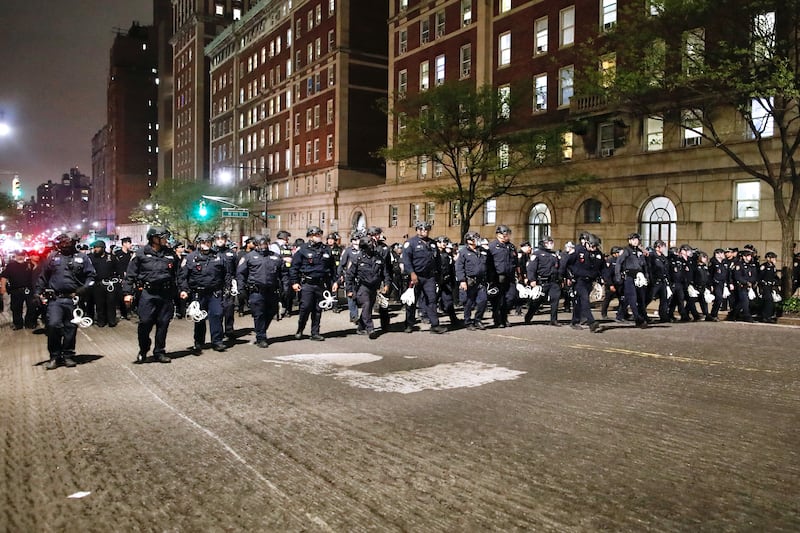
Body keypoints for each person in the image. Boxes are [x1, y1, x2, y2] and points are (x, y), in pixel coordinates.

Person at [34, 233, 96, 369]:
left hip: (73, 299)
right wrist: (37, 293)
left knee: (70, 328)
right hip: (55, 299)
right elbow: (43, 277)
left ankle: (68, 355)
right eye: (62, 242)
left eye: (67, 242)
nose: (64, 244)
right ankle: (55, 356)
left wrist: (84, 288)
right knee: (53, 325)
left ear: (73, 242)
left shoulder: (82, 257)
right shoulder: (52, 258)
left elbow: (91, 276)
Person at [123, 227, 179, 363]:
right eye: (163, 237)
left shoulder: (170, 254)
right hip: (148, 293)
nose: (166, 240)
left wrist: (181, 290)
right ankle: (143, 349)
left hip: (165, 294)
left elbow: (178, 274)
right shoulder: (140, 254)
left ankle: (159, 351)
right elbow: (130, 275)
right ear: (154, 238)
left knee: (163, 323)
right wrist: (127, 293)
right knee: (145, 322)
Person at [179, 233, 231, 353]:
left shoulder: (219, 257)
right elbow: (182, 276)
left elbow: (226, 274)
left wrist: (227, 288)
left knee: (217, 315)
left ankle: (217, 341)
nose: (206, 244)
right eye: (203, 242)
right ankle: (198, 342)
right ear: (199, 243)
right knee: (199, 318)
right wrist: (184, 290)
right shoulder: (190, 257)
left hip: (215, 292)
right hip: (198, 293)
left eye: (208, 242)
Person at [237, 235, 288, 347]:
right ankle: (261, 337)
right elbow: (240, 274)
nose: (263, 246)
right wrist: (241, 289)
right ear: (256, 245)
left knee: (271, 312)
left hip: (272, 291)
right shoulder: (248, 257)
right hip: (256, 291)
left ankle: (261, 330)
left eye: (265, 244)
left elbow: (283, 273)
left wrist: (285, 287)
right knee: (259, 314)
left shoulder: (275, 257)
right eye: (261, 244)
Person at [289, 226, 339, 340]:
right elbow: (294, 268)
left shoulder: (326, 249)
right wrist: (294, 282)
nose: (319, 237)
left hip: (321, 284)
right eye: (316, 235)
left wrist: (334, 282)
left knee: (318, 309)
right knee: (305, 307)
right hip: (307, 283)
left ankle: (315, 332)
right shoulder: (302, 249)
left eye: (320, 235)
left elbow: (332, 268)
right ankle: (300, 329)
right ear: (310, 236)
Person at [402, 221, 447, 334]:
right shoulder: (410, 243)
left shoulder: (432, 243)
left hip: (429, 277)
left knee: (431, 300)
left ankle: (435, 325)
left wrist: (439, 275)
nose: (424, 231)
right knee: (411, 301)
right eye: (422, 229)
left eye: (426, 229)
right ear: (417, 230)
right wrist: (412, 274)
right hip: (415, 276)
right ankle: (409, 324)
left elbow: (437, 261)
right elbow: (406, 260)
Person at [346, 237, 391, 339]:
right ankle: (370, 329)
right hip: (362, 286)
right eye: (370, 246)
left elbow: (385, 273)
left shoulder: (379, 258)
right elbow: (349, 275)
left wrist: (387, 284)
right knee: (366, 305)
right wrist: (349, 290)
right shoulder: (358, 258)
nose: (372, 247)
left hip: (374, 287)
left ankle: (361, 327)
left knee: (369, 307)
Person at [564, 232, 602, 332]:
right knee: (585, 300)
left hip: (589, 281)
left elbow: (602, 268)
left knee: (579, 302)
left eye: (595, 246)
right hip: (579, 280)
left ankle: (575, 321)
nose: (594, 248)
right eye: (592, 246)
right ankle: (591, 322)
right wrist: (566, 277)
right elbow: (566, 263)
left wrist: (605, 281)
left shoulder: (597, 253)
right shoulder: (577, 250)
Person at [614, 232, 650, 327]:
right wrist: (618, 276)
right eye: (634, 239)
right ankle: (638, 319)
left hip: (639, 277)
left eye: (637, 239)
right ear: (630, 240)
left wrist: (646, 276)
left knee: (634, 298)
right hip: (629, 277)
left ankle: (620, 315)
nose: (636, 241)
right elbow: (619, 263)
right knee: (633, 298)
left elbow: (644, 265)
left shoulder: (639, 251)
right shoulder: (626, 250)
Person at [524, 236, 562, 326]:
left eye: (551, 243)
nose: (550, 245)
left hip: (553, 281)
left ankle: (553, 320)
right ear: (543, 244)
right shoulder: (537, 254)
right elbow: (531, 268)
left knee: (555, 300)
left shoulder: (554, 254)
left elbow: (559, 267)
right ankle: (528, 316)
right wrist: (532, 279)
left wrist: (561, 278)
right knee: (537, 301)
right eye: (548, 243)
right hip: (542, 281)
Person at [487, 225, 518, 328]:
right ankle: (499, 319)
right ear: (499, 235)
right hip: (497, 277)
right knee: (498, 301)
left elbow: (515, 262)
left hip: (510, 277)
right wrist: (490, 279)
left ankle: (503, 317)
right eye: (505, 234)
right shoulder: (491, 247)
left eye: (508, 234)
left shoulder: (511, 247)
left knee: (511, 298)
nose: (507, 236)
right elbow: (488, 264)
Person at [0, 250, 39, 330]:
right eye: (18, 255)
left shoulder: (29, 264)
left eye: (22, 255)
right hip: (15, 290)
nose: (20, 256)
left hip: (29, 290)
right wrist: (3, 287)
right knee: (16, 308)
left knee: (31, 307)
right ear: (15, 255)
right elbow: (4, 277)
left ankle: (29, 323)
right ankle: (18, 324)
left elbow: (37, 270)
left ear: (25, 256)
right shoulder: (10, 265)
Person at [365, 226, 394, 332]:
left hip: (381, 277)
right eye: (374, 235)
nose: (377, 237)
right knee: (368, 303)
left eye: (377, 234)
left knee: (383, 303)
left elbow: (387, 267)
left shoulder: (384, 248)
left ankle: (385, 325)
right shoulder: (364, 246)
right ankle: (364, 325)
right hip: (367, 279)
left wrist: (387, 282)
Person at [212, 231, 237, 338]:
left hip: (228, 283)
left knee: (229, 308)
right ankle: (219, 331)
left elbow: (236, 268)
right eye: (218, 239)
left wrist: (235, 281)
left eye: (222, 238)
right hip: (216, 284)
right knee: (218, 310)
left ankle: (229, 329)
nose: (220, 240)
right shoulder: (211, 253)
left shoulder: (231, 253)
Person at [87, 240, 118, 328]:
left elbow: (117, 268)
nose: (96, 249)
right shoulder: (91, 258)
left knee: (111, 303)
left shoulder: (111, 257)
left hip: (109, 283)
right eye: (95, 247)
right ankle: (101, 321)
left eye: (98, 247)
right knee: (99, 304)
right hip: (97, 284)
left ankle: (111, 320)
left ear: (103, 248)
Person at [337, 232, 363, 324]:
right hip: (350, 276)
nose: (357, 241)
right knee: (351, 295)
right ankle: (354, 315)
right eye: (355, 239)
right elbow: (342, 264)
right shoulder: (348, 251)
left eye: (359, 239)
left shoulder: (363, 250)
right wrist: (340, 275)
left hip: (361, 277)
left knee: (361, 296)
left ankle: (359, 315)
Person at [435, 236, 460, 326]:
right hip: (435, 281)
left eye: (445, 242)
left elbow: (451, 269)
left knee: (449, 300)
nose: (444, 243)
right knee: (432, 301)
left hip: (446, 281)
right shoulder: (433, 254)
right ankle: (429, 318)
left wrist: (452, 281)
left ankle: (453, 318)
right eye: (442, 242)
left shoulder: (447, 256)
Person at [270, 230, 294, 317]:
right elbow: (273, 257)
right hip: (278, 272)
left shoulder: (287, 247)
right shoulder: (274, 246)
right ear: (283, 237)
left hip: (287, 271)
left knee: (287, 291)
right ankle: (277, 309)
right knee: (278, 291)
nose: (287, 240)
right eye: (287, 238)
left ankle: (286, 307)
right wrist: (284, 259)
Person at [732, 247, 758, 322]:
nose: (750, 257)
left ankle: (733, 314)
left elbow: (754, 275)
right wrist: (746, 282)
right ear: (744, 257)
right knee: (745, 302)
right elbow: (738, 276)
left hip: (750, 286)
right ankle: (747, 317)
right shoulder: (739, 265)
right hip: (742, 286)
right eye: (748, 256)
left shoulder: (752, 265)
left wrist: (752, 282)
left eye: (750, 256)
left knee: (741, 302)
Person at [113, 237, 135, 320]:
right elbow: (116, 266)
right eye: (129, 243)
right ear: (124, 244)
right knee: (121, 295)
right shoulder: (117, 254)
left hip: (130, 277)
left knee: (130, 295)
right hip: (121, 278)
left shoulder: (131, 254)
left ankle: (129, 311)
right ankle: (122, 312)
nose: (130, 245)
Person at [758, 251, 779, 323]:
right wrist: (761, 286)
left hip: (771, 286)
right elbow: (760, 277)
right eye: (773, 258)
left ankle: (767, 316)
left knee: (769, 301)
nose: (774, 259)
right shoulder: (764, 266)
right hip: (765, 286)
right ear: (768, 258)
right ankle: (765, 316)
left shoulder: (773, 266)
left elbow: (774, 277)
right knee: (768, 301)